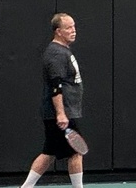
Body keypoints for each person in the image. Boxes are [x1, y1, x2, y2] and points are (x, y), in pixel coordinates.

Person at [20, 13, 84, 188]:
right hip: (63, 113)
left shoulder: (63, 51)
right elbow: (56, 86)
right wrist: (61, 114)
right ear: (58, 31)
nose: (73, 31)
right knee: (76, 152)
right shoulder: (55, 54)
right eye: (68, 28)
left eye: (74, 26)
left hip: (64, 112)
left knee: (49, 152)